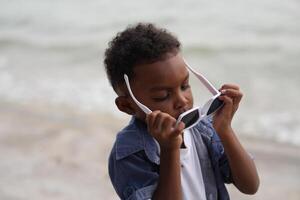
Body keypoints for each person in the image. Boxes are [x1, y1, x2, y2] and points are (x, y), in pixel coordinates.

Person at [104, 22, 259, 200]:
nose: (182, 100)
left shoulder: (203, 129)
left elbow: (250, 185)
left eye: (185, 86)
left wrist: (224, 129)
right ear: (127, 106)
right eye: (163, 96)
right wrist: (170, 150)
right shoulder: (129, 153)